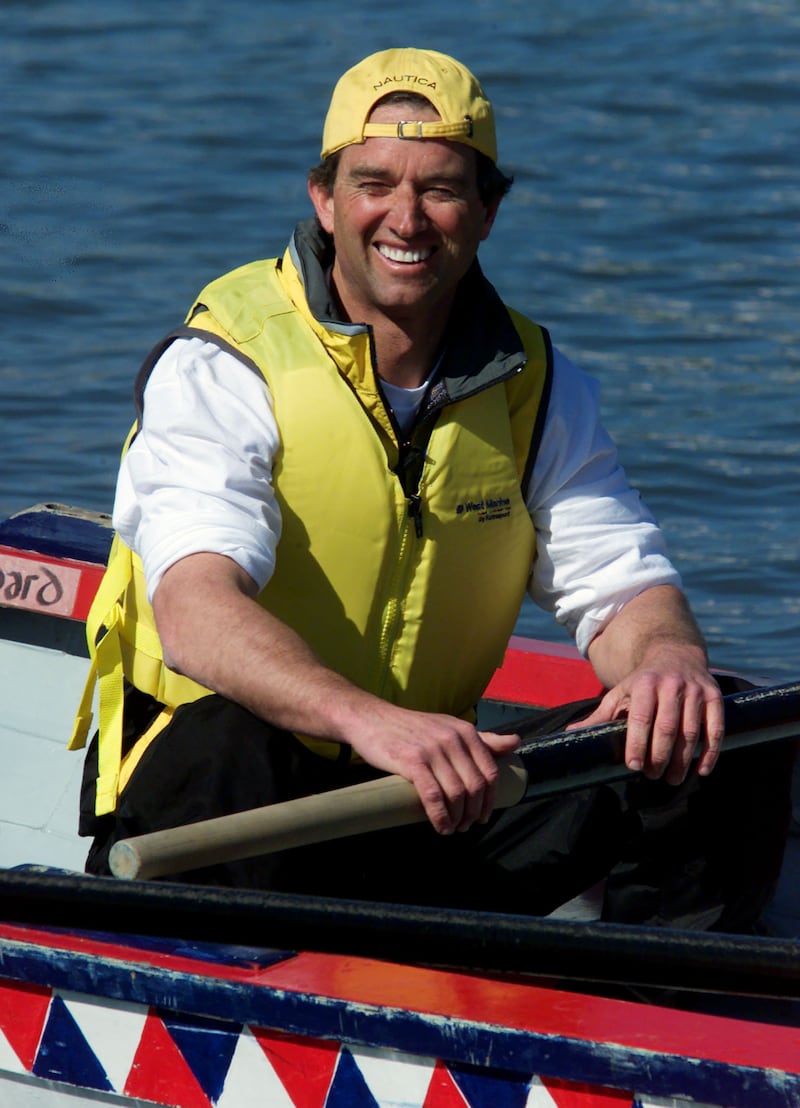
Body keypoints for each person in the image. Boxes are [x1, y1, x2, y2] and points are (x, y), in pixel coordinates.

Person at [70, 47, 790, 929]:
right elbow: (196, 611)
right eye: (373, 184)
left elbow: (622, 585)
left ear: (487, 212)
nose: (405, 218)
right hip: (225, 810)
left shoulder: (535, 382)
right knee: (228, 736)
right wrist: (369, 720)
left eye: (441, 189)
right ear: (324, 200)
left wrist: (666, 662)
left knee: (718, 726)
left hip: (421, 802)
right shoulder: (224, 362)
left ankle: (652, 1005)